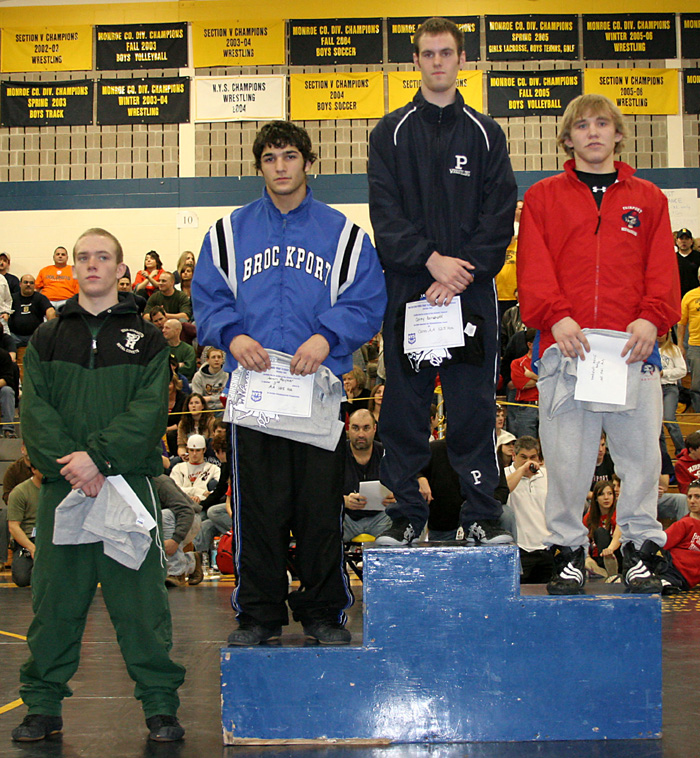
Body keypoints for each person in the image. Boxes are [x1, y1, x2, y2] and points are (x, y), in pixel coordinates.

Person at [192, 120, 386, 646]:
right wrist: (233, 336)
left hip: (316, 393)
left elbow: (368, 298)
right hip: (255, 396)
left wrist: (328, 336)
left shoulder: (343, 234)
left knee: (320, 510)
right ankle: (258, 614)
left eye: (290, 156)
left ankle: (323, 612)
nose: (280, 167)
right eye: (270, 158)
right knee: (258, 511)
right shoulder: (228, 233)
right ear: (259, 166)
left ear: (308, 162)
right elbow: (208, 298)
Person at [12, 227, 185, 743]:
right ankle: (43, 705)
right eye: (84, 257)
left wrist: (100, 459)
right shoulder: (46, 338)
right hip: (63, 488)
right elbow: (34, 412)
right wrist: (75, 465)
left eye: (102, 257)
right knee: (55, 604)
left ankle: (160, 707)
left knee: (142, 606)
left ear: (119, 268)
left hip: (127, 486)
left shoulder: (148, 339)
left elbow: (150, 413)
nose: (92, 264)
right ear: (73, 268)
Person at [518, 93, 681, 595]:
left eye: (602, 124)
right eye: (583, 125)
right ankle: (568, 553)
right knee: (567, 461)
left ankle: (639, 552)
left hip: (633, 349)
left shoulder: (649, 198)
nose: (593, 132)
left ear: (618, 134)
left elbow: (663, 267)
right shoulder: (543, 197)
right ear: (567, 138)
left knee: (641, 460)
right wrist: (556, 317)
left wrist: (652, 319)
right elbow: (533, 266)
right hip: (567, 349)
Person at [367, 17, 517, 547]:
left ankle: (480, 514)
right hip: (411, 290)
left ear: (461, 60)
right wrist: (431, 262)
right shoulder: (388, 133)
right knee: (405, 407)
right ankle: (407, 515)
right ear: (415, 60)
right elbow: (385, 216)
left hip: (470, 291)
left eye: (446, 53)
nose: (437, 62)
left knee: (471, 406)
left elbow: (499, 216)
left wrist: (459, 272)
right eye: (428, 53)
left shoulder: (486, 133)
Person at [505, 436, 551, 583]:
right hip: (520, 548)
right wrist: (522, 470)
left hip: (546, 547)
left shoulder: (547, 476)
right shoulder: (504, 474)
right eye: (523, 457)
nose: (528, 461)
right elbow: (502, 491)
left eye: (533, 457)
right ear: (514, 456)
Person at [343, 409, 393, 541]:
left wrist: (395, 498)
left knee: (407, 514)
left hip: (381, 518)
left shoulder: (387, 454)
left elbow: (403, 486)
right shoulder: (337, 454)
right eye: (355, 428)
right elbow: (322, 492)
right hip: (346, 519)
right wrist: (344, 501)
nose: (361, 434)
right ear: (348, 428)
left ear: (374, 428)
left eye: (366, 428)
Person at [655, 480, 700, 594]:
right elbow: (660, 544)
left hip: (687, 583)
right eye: (689, 497)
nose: (692, 501)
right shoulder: (685, 523)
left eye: (697, 497)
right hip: (672, 572)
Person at [7, 462, 42, 587]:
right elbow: (13, 526)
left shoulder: (59, 491)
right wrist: (32, 548)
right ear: (33, 469)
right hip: (28, 539)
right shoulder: (20, 492)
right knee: (22, 578)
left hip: (52, 538)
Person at [658, 331, 686, 455]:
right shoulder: (648, 349)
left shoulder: (673, 349)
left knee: (669, 419)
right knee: (657, 425)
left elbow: (682, 370)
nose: (660, 335)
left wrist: (664, 373)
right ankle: (662, 454)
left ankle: (681, 450)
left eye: (663, 333)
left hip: (670, 388)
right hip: (654, 388)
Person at [9, 275, 56, 348]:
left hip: (35, 336)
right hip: (15, 336)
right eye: (26, 282)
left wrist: (51, 322)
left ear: (34, 285)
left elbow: (50, 310)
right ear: (20, 284)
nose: (28, 285)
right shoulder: (12, 298)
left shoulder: (40, 298)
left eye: (31, 283)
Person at [170, 434, 220, 503]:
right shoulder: (178, 468)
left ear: (204, 450)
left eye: (198, 450)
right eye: (191, 450)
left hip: (204, 504)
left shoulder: (213, 469)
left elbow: (219, 490)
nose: (194, 453)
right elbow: (174, 490)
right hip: (182, 503)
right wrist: (198, 491)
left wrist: (201, 498)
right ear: (187, 449)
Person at [677, 268, 700, 411]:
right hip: (696, 346)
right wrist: (680, 344)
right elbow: (681, 323)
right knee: (697, 385)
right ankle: (698, 417)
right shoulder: (690, 296)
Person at [176, 394, 215, 459]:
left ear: (202, 406)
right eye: (191, 403)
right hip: (189, 455)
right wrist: (184, 455)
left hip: (207, 454)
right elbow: (181, 446)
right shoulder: (182, 423)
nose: (193, 406)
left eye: (197, 403)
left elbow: (212, 443)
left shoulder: (211, 421)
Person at [676, 228, 700, 299]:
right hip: (677, 295)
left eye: (687, 239)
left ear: (691, 241)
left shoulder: (698, 257)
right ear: (677, 241)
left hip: (694, 296)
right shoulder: (672, 258)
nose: (684, 241)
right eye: (681, 239)